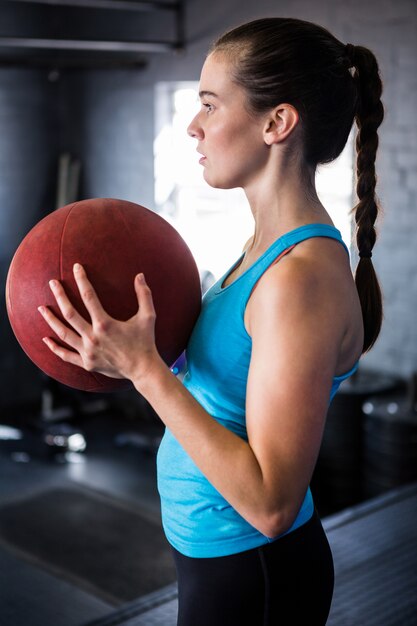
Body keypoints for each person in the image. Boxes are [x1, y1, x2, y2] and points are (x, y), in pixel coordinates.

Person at [38, 17, 384, 626]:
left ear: (277, 123)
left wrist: (144, 370)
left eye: (209, 104)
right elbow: (220, 384)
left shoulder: (299, 279)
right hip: (213, 555)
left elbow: (273, 505)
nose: (193, 126)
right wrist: (137, 348)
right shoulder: (259, 250)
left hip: (254, 570)